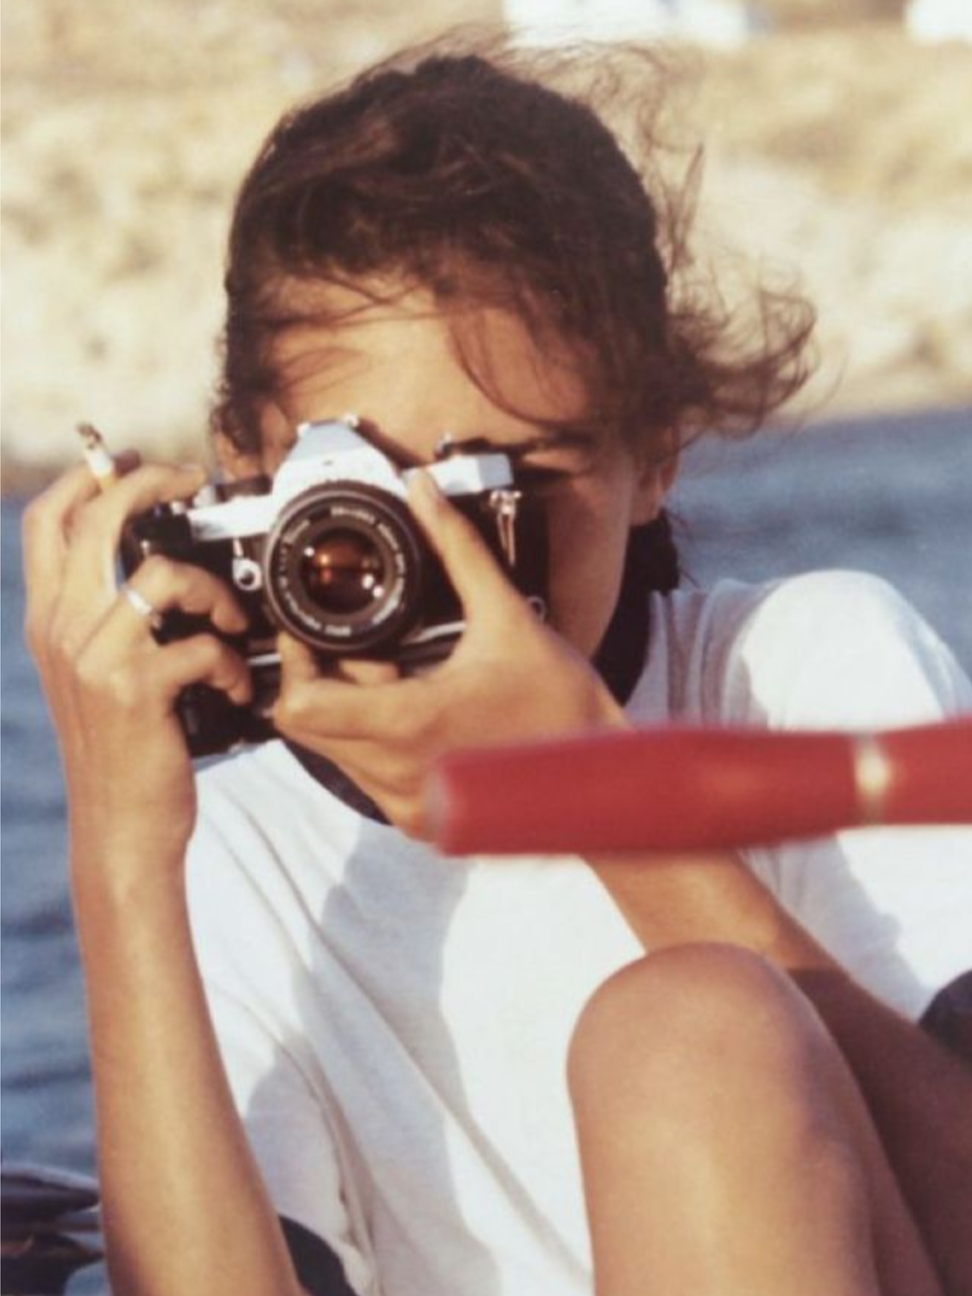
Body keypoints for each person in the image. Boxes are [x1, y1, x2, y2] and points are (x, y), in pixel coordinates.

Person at [22, 36, 972, 1296]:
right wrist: (119, 851)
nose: (448, 554)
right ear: (249, 469)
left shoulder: (803, 673)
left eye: (506, 484)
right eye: (377, 490)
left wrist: (593, 792)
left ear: (655, 450)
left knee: (693, 1031)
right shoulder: (233, 847)